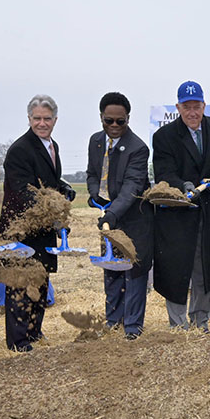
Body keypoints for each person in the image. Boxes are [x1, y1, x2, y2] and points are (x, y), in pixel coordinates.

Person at [0, 95, 76, 352]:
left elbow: (46, 181)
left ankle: (34, 332)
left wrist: (62, 188)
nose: (42, 123)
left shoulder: (52, 146)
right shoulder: (20, 149)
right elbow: (24, 191)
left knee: (40, 280)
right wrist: (54, 206)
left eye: (47, 118)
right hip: (22, 228)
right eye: (37, 118)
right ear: (29, 118)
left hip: (43, 228)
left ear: (55, 120)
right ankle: (19, 341)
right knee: (21, 282)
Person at [151, 80, 210, 331]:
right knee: (175, 267)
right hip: (177, 214)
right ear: (178, 107)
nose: (192, 112)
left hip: (206, 211)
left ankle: (201, 320)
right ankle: (177, 324)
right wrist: (183, 185)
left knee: (203, 267)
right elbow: (164, 172)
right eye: (187, 107)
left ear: (204, 106)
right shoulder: (163, 136)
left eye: (197, 106)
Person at [86, 92, 153, 339]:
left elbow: (131, 188)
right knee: (111, 267)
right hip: (109, 217)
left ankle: (133, 327)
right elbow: (92, 174)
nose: (114, 126)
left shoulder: (138, 148)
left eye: (120, 121)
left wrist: (111, 214)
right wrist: (95, 196)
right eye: (108, 121)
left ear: (128, 119)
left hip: (134, 219)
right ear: (101, 117)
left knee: (133, 271)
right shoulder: (95, 141)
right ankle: (113, 320)